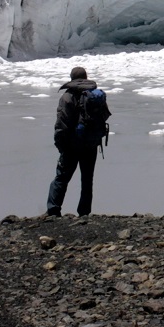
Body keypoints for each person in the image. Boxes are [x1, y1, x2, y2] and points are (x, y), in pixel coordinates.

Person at [46, 66, 110, 217]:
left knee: (61, 178)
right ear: (86, 77)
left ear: (71, 78)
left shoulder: (68, 97)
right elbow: (105, 115)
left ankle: (54, 210)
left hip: (71, 146)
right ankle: (84, 212)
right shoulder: (95, 95)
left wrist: (60, 145)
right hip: (91, 144)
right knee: (87, 180)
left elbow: (62, 123)